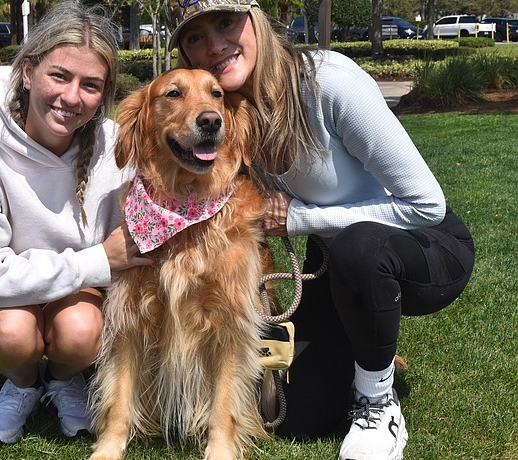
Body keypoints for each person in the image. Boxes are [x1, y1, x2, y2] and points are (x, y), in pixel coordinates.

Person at [165, 1, 475, 459]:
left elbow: (426, 204)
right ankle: (362, 346)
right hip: (335, 260)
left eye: (226, 22)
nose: (214, 45)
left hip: (427, 246)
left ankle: (378, 401)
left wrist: (299, 219)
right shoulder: (227, 112)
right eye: (195, 37)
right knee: (298, 418)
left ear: (255, 20)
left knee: (359, 247)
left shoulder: (328, 81)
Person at [0, 2, 150, 445]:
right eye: (60, 76)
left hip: (77, 298)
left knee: (82, 330)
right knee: (14, 332)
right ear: (28, 71)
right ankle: (23, 383)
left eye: (91, 85)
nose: (72, 98)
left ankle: (65, 378)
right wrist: (97, 261)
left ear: (104, 94)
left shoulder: (114, 146)